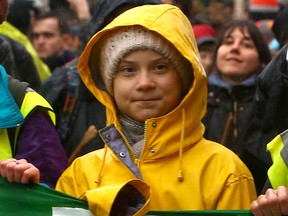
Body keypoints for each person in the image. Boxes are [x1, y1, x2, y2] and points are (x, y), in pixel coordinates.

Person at [0, 4, 257, 214]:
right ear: (109, 84)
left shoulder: (227, 172)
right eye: (128, 70)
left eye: (160, 67)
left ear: (185, 79)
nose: (144, 83)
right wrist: (28, 194)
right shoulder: (80, 173)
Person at [40, 0, 161, 162]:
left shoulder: (187, 89)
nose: (133, 34)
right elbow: (41, 159)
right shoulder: (69, 83)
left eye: (145, 23)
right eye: (121, 23)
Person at [202, 19, 272, 195]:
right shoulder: (196, 99)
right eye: (228, 42)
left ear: (261, 59)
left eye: (246, 44)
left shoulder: (268, 103)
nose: (235, 48)